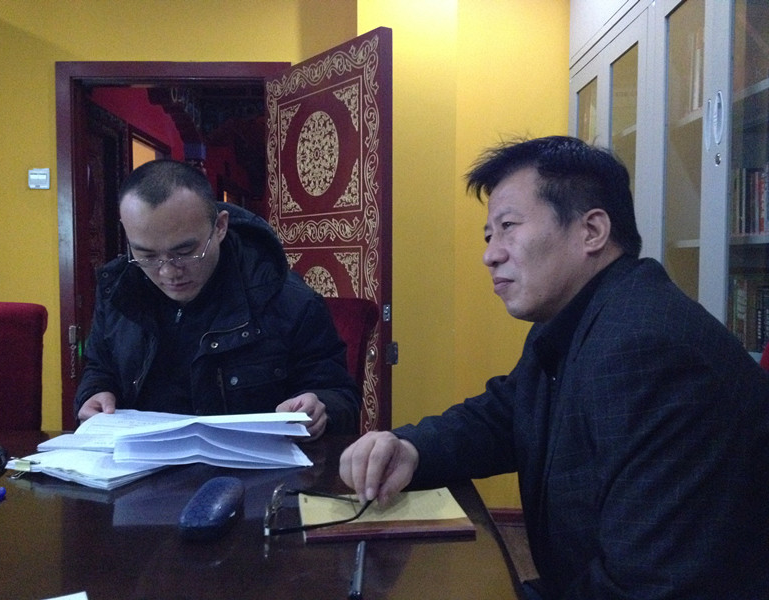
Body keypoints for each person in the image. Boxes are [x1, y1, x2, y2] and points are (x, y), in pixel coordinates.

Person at [339, 136, 769, 599]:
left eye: (508, 226)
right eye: (489, 235)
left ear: (592, 231)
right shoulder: (577, 318)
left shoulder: (647, 348)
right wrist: (412, 448)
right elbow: (505, 414)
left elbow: (648, 585)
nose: (490, 254)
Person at [74, 159, 361, 440]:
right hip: (138, 463)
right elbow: (100, 367)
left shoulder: (290, 301)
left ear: (220, 227)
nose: (168, 272)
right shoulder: (119, 291)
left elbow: (340, 396)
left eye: (185, 252)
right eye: (147, 255)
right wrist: (95, 393)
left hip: (250, 466)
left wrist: (320, 408)